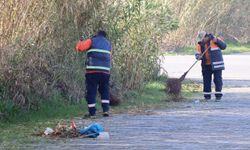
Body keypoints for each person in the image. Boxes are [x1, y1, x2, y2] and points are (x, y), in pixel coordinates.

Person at [75, 30, 112, 118]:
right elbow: (110, 57)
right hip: (105, 71)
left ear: (97, 35)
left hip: (92, 71)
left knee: (91, 90)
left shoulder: (92, 40)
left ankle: (92, 113)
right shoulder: (108, 44)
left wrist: (79, 41)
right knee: (105, 90)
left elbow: (79, 48)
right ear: (105, 36)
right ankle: (105, 110)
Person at [195, 31, 227, 100]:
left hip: (217, 65)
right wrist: (198, 57)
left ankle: (218, 96)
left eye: (203, 39)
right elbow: (197, 53)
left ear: (206, 36)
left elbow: (224, 46)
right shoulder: (200, 44)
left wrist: (217, 41)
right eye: (201, 39)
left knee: (217, 80)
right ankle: (207, 96)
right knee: (206, 81)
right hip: (205, 65)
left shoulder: (215, 40)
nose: (202, 40)